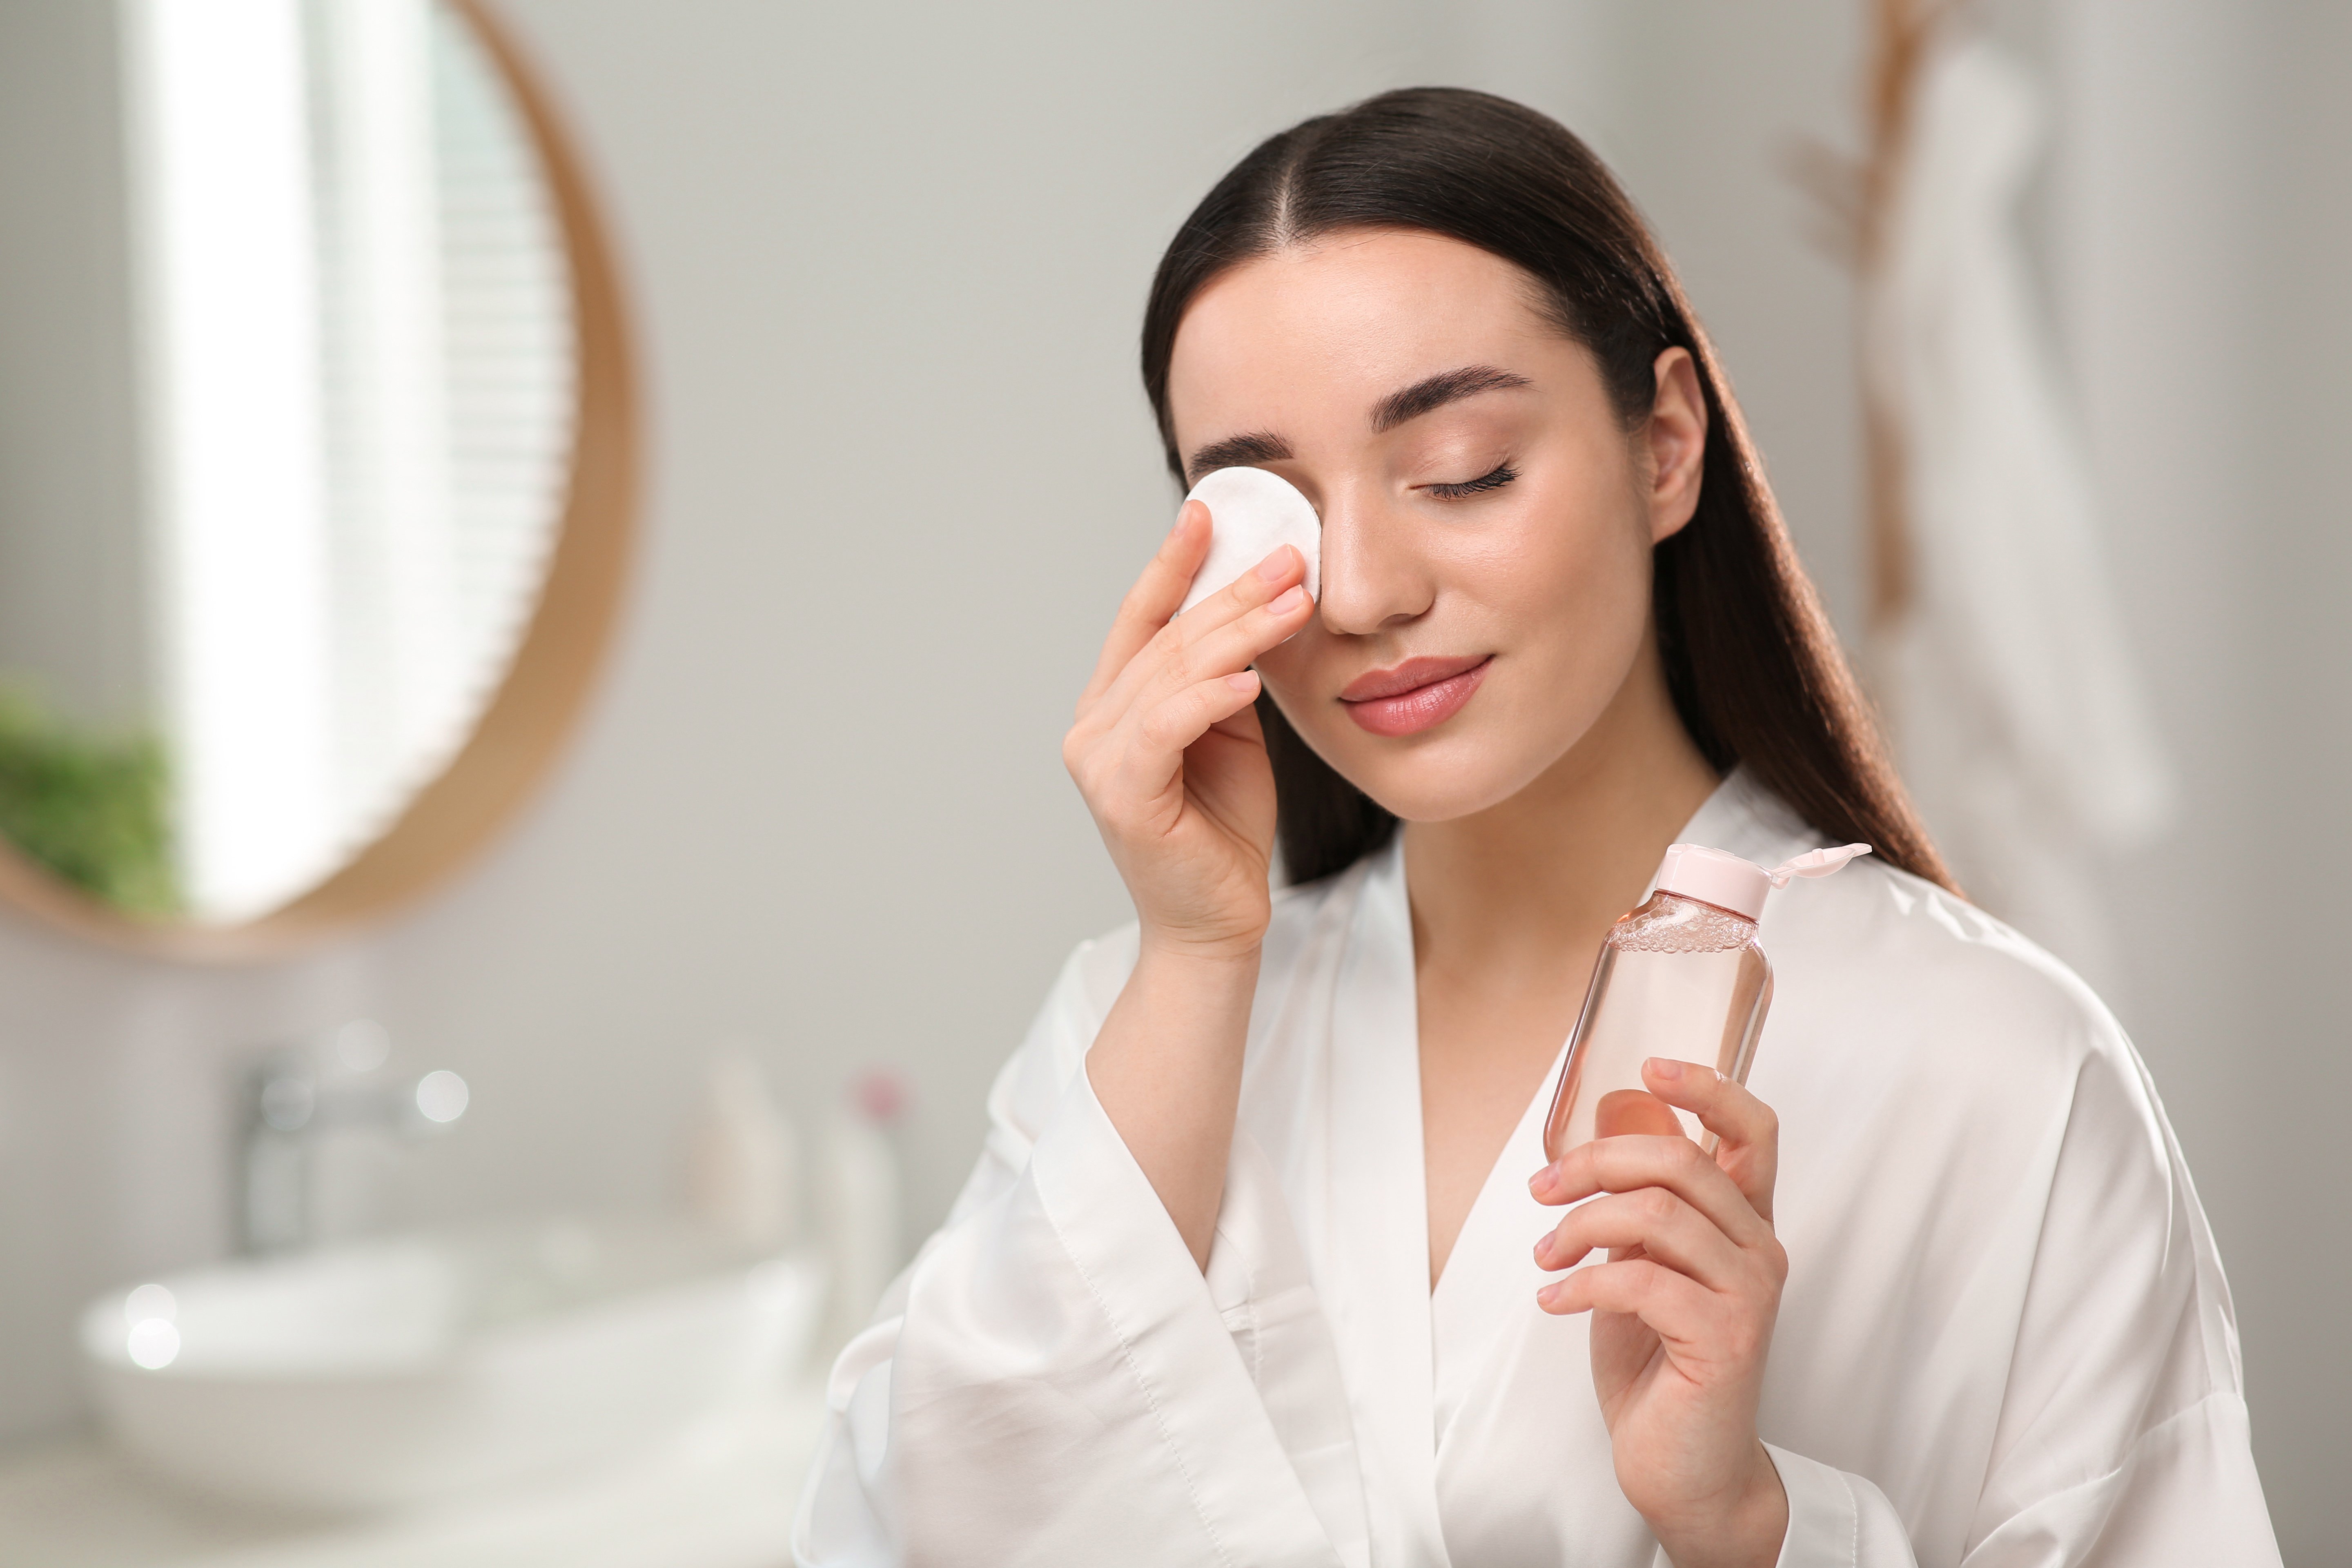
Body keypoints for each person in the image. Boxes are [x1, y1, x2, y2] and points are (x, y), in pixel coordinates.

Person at [793, 88, 2276, 1567]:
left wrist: (1747, 1527)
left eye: (1463, 473)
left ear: (1666, 446)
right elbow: (901, 1521)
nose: (1365, 592)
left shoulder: (1999, 1068)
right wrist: (1190, 950)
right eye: (1273, 523)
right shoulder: (1139, 1025)